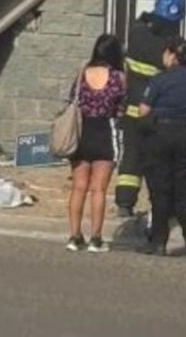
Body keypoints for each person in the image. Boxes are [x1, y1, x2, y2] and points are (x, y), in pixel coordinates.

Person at [116, 0, 185, 218]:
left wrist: (148, 17)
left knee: (132, 158)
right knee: (162, 161)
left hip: (134, 109)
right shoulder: (172, 47)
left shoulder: (136, 34)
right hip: (160, 114)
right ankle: (165, 207)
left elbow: (140, 24)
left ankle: (124, 203)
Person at [137, 36, 186, 259]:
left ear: (172, 55)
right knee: (185, 191)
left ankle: (159, 242)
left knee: (160, 190)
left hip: (161, 135)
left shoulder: (160, 80)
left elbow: (143, 111)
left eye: (166, 53)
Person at [65, 34, 127, 253]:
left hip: (82, 132)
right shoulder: (118, 77)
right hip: (105, 133)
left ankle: (74, 236)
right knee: (99, 189)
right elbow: (122, 108)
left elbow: (71, 98)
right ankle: (96, 238)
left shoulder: (82, 72)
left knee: (78, 187)